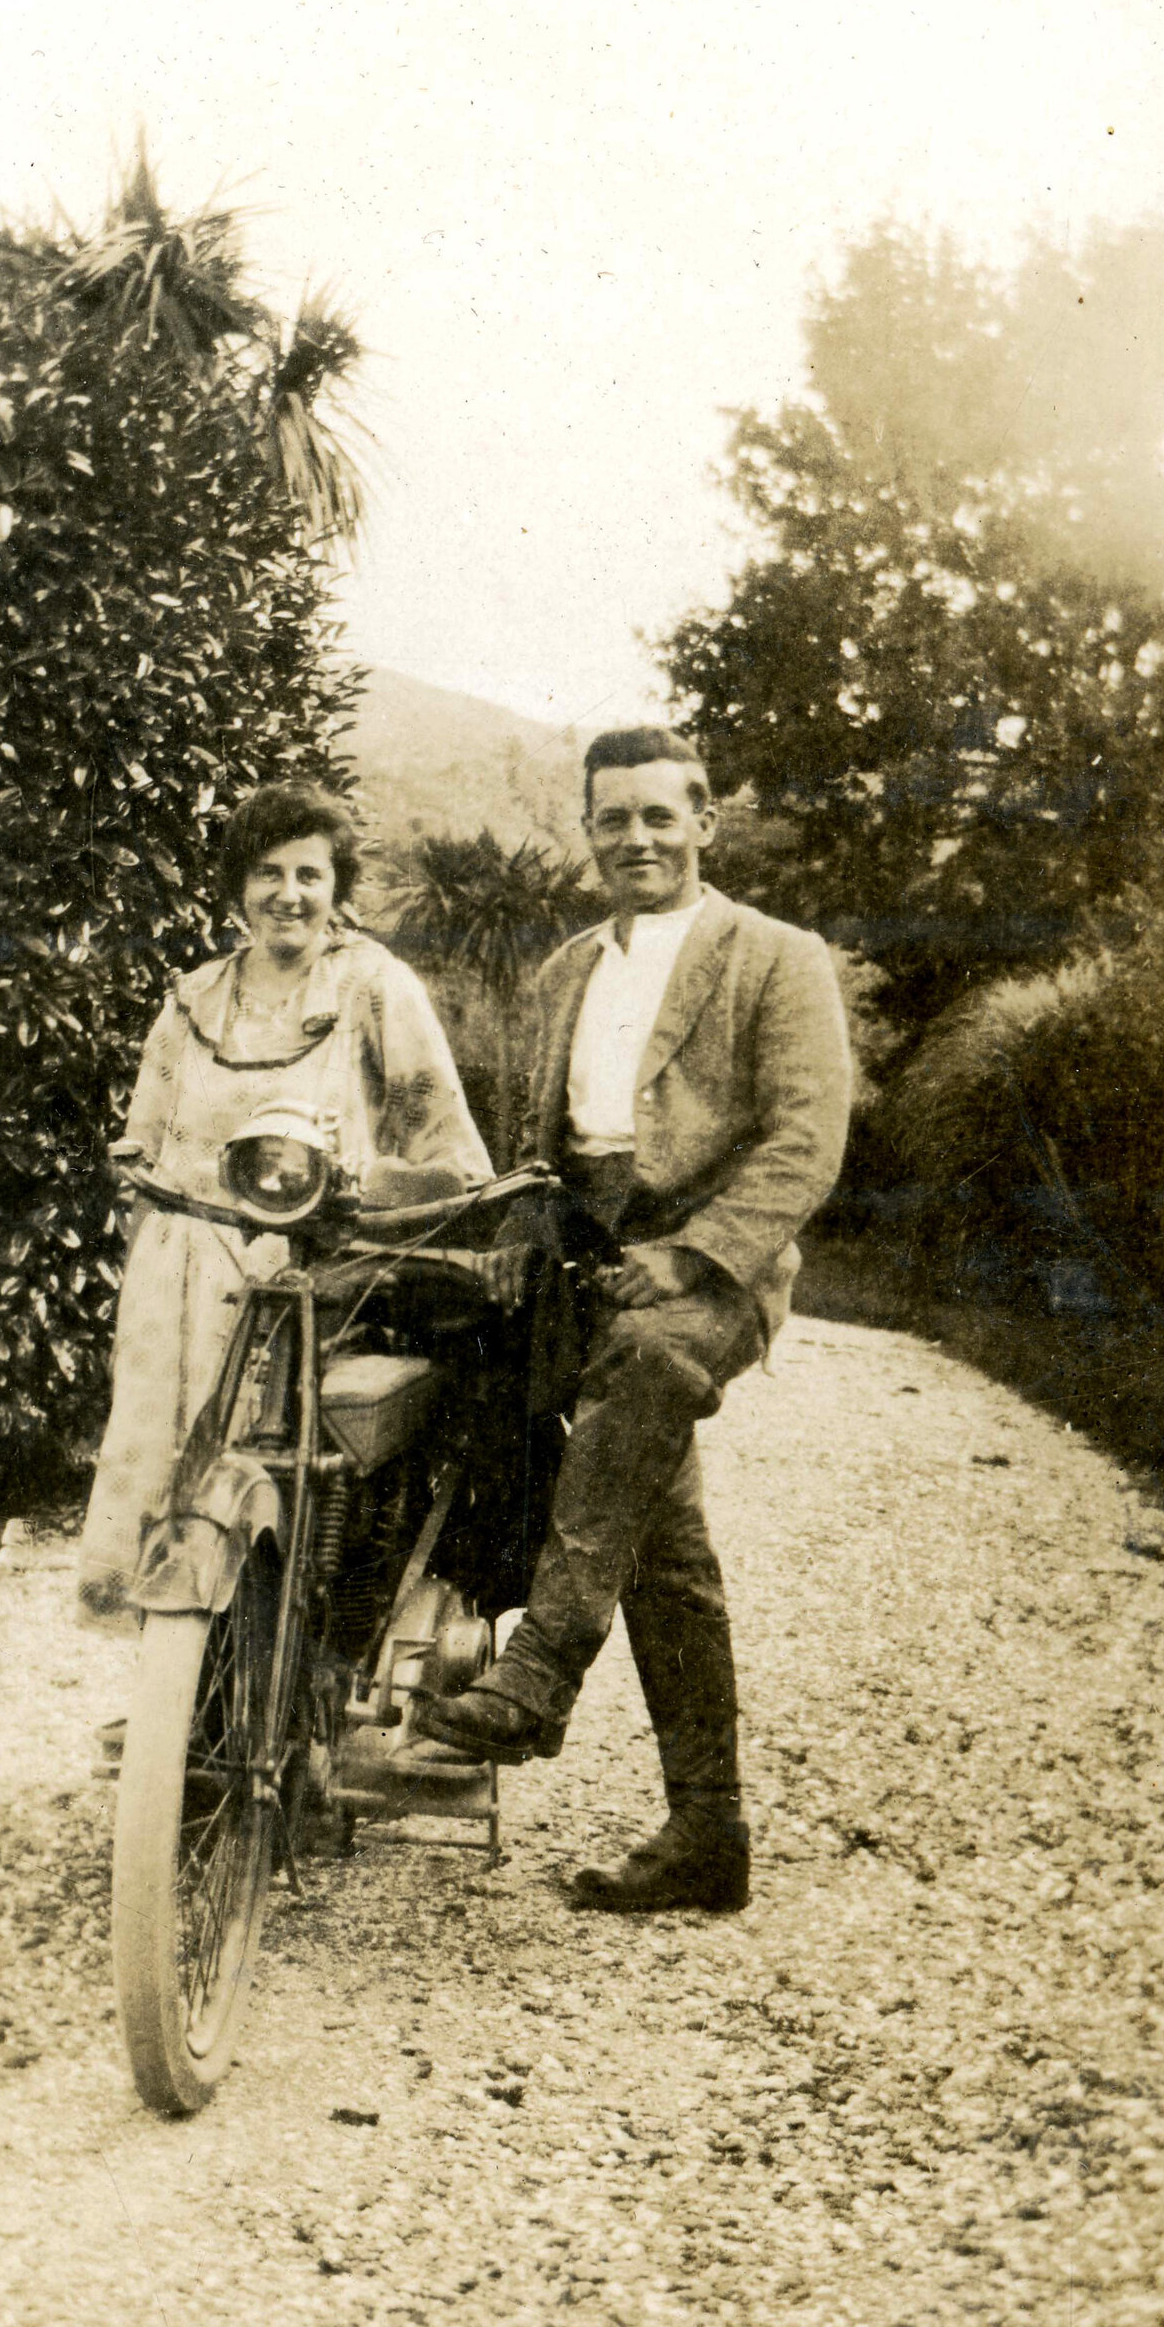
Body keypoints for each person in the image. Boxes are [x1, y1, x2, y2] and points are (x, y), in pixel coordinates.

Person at [418, 726, 852, 1914]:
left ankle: (541, 1668)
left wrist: (692, 1257)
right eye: (613, 818)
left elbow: (805, 1141)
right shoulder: (562, 973)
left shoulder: (776, 956)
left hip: (706, 1268)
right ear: (589, 829)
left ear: (704, 822)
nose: (637, 838)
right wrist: (517, 1240)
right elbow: (532, 1146)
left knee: (648, 1369)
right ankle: (707, 1834)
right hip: (580, 1251)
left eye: (661, 815)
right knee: (661, 1543)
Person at [76, 779, 490, 1626]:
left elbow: (446, 1148)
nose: (288, 895)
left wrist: (361, 1198)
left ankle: (275, 1681)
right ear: (237, 890)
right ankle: (175, 1694)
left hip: (309, 1276)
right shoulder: (191, 999)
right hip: (178, 1281)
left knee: (290, 1480)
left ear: (338, 888)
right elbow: (144, 1146)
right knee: (158, 1475)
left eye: (310, 873)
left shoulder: (373, 988)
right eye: (267, 873)